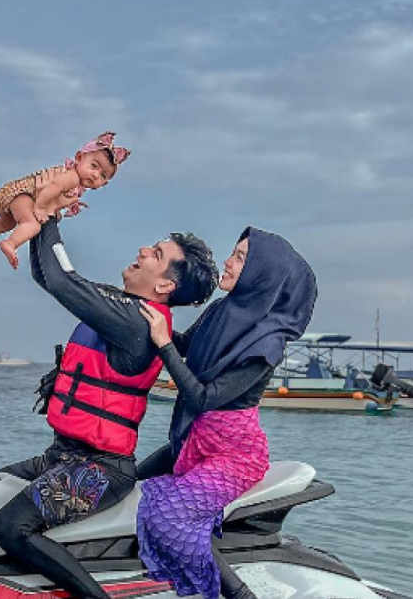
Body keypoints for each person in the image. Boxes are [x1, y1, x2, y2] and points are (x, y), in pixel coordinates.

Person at [0, 215, 219, 599]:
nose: (142, 251)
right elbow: (49, 277)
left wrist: (48, 212)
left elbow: (62, 280)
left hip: (98, 470)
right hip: (61, 457)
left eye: (156, 253)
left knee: (11, 527)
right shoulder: (125, 307)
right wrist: (41, 220)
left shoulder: (133, 322)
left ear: (165, 285)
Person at [135, 227, 317, 599]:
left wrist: (163, 343)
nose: (228, 262)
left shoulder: (267, 345)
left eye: (240, 258)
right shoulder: (221, 311)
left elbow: (203, 397)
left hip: (233, 457)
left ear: (261, 275)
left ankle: (236, 595)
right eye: (233, 253)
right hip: (194, 442)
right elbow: (182, 345)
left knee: (169, 516)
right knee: (130, 482)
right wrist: (144, 310)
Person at [0, 131, 130, 269]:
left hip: (13, 193)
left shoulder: (76, 182)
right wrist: (40, 207)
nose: (95, 175)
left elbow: (55, 196)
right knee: (32, 225)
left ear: (105, 183)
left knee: (6, 223)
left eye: (103, 175)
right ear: (79, 158)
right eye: (94, 166)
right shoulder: (72, 177)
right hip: (23, 193)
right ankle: (10, 243)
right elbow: (54, 186)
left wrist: (55, 210)